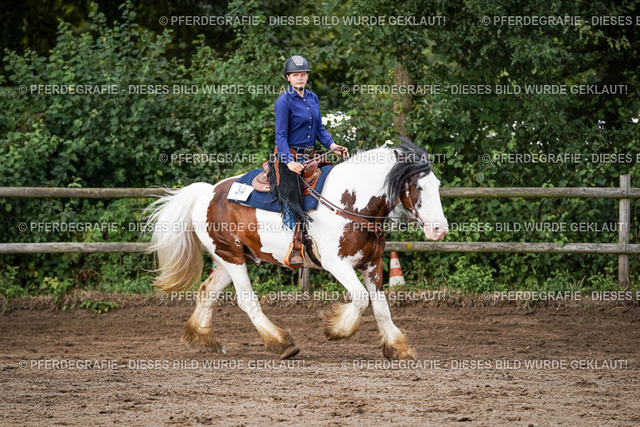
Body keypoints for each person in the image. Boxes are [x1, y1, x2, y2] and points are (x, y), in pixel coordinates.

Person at [270, 55, 348, 267]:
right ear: (288, 78)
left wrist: (332, 145)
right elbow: (280, 137)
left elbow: (319, 129)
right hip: (290, 156)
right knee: (292, 197)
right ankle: (294, 245)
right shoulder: (283, 102)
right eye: (295, 75)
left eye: (303, 74)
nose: (300, 78)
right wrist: (288, 162)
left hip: (312, 156)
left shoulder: (312, 97)